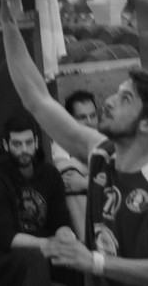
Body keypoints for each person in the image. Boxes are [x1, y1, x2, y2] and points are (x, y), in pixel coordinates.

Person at [0, 0, 148, 286]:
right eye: (116, 93)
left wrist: (95, 262)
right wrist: (9, 28)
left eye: (125, 99)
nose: (109, 102)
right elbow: (36, 98)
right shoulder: (99, 152)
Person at [0, 113, 78, 286]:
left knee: (81, 254)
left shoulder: (50, 174)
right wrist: (50, 244)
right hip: (5, 258)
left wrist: (65, 236)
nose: (24, 149)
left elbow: (60, 219)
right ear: (6, 145)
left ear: (37, 143)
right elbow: (6, 237)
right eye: (17, 144)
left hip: (46, 250)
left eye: (29, 142)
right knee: (34, 258)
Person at [52, 90, 98, 241]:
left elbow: (120, 178)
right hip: (82, 207)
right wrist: (95, 172)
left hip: (111, 201)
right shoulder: (61, 143)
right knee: (69, 173)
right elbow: (68, 179)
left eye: (93, 116)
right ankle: (89, 244)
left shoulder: (108, 140)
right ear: (69, 120)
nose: (90, 122)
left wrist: (84, 182)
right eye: (82, 117)